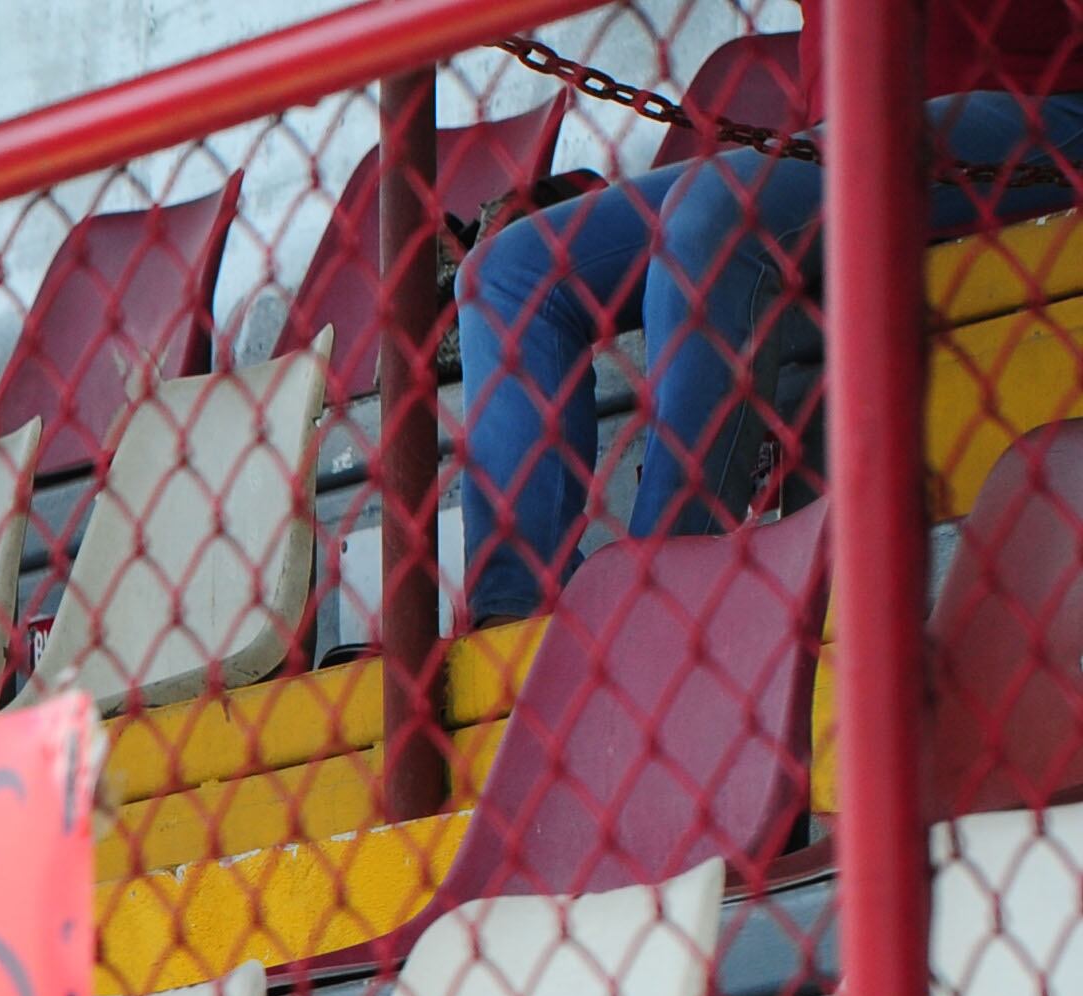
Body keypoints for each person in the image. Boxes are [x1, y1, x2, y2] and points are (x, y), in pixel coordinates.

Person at [459, 8, 1083, 621]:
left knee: (712, 219)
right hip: (843, 136)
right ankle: (515, 622)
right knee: (507, 276)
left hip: (1040, 110)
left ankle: (659, 594)